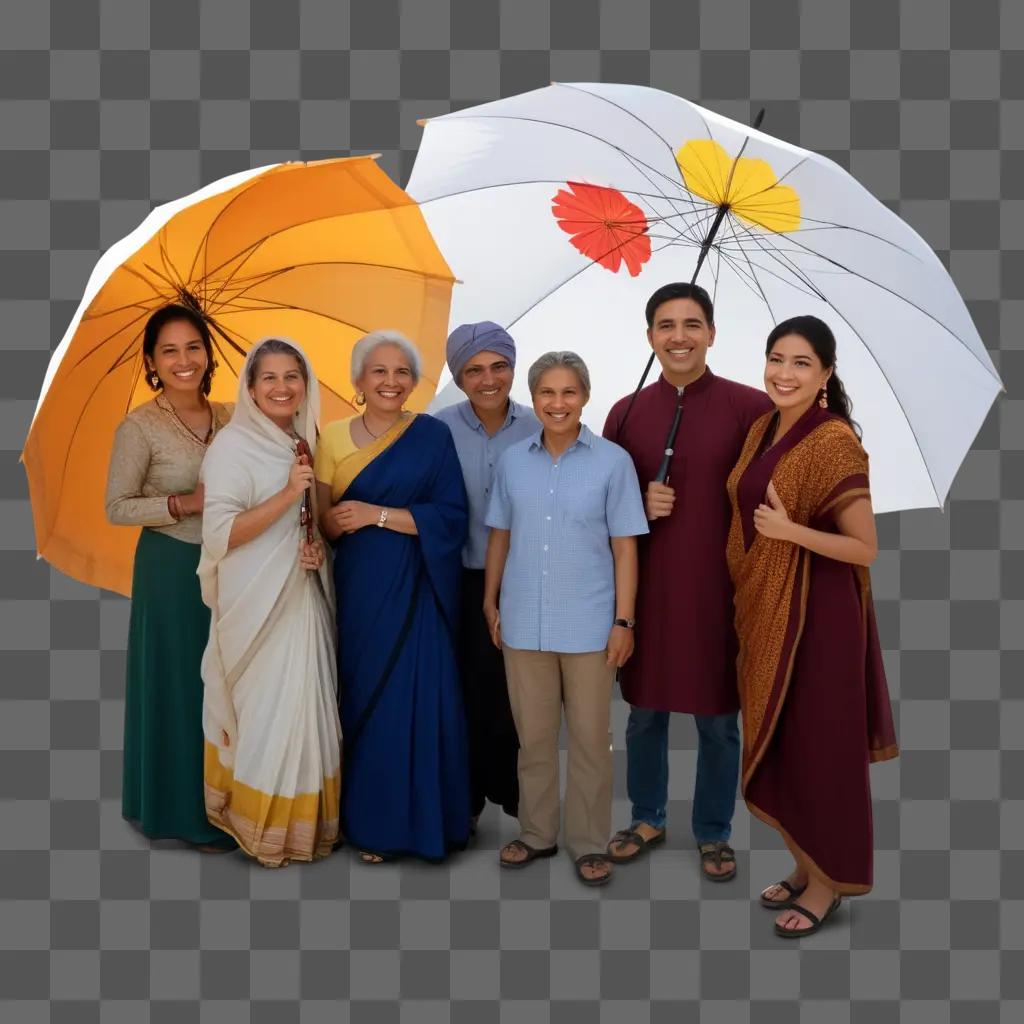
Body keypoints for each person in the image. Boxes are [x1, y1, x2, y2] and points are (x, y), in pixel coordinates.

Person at [726, 315, 897, 937]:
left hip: (819, 621)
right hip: (766, 611)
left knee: (821, 748)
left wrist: (792, 532)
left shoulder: (833, 441)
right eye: (776, 357)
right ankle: (805, 863)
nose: (784, 373)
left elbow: (866, 549)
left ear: (825, 374)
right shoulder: (761, 429)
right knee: (787, 743)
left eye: (801, 362)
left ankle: (828, 886)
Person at [602, 283, 773, 880]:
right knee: (644, 711)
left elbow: (771, 492)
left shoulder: (751, 408)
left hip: (722, 588)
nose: (680, 336)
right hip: (646, 588)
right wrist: (636, 502)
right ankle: (646, 816)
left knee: (718, 717)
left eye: (692, 324)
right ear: (650, 335)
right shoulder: (624, 413)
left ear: (712, 334)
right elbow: (600, 509)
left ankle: (714, 831)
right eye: (667, 325)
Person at [485, 351, 648, 887]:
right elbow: (501, 536)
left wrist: (624, 623)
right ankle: (537, 833)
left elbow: (625, 549)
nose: (558, 403)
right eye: (547, 393)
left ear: (585, 396)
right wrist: (491, 600)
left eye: (569, 392)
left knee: (588, 740)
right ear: (533, 399)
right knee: (532, 738)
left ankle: (587, 842)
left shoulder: (613, 463)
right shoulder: (511, 461)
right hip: (523, 623)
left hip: (589, 627)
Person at [314, 330, 470, 863]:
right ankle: (373, 825)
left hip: (420, 585)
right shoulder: (330, 439)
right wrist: (331, 523)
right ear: (358, 380)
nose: (391, 381)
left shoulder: (431, 435)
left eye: (402, 371)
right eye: (379, 371)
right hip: (361, 588)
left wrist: (377, 515)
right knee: (365, 696)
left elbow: (452, 516)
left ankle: (429, 823)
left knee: (420, 697)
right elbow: (324, 525)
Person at [199, 337, 342, 867]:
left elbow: (311, 526)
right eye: (270, 379)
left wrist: (315, 552)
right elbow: (220, 534)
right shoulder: (231, 448)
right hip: (253, 606)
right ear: (252, 389)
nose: (282, 388)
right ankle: (263, 832)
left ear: (305, 385)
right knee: (267, 716)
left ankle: (307, 832)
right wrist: (287, 494)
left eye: (293, 377)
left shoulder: (306, 442)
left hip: (301, 599)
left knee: (308, 708)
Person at [105, 303, 235, 851]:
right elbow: (116, 506)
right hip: (171, 569)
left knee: (230, 684)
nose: (184, 360)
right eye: (170, 351)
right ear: (153, 362)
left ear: (209, 353)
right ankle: (181, 810)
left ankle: (235, 801)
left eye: (193, 347)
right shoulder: (140, 426)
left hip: (233, 565)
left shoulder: (235, 415)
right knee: (184, 683)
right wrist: (185, 503)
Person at [434, 323, 539, 832]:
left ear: (513, 368)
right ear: (458, 376)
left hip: (525, 580)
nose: (488, 379)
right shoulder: (437, 428)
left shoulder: (543, 425)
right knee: (466, 691)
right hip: (458, 579)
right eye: (474, 370)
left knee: (518, 696)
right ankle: (467, 798)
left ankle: (522, 799)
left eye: (498, 366)